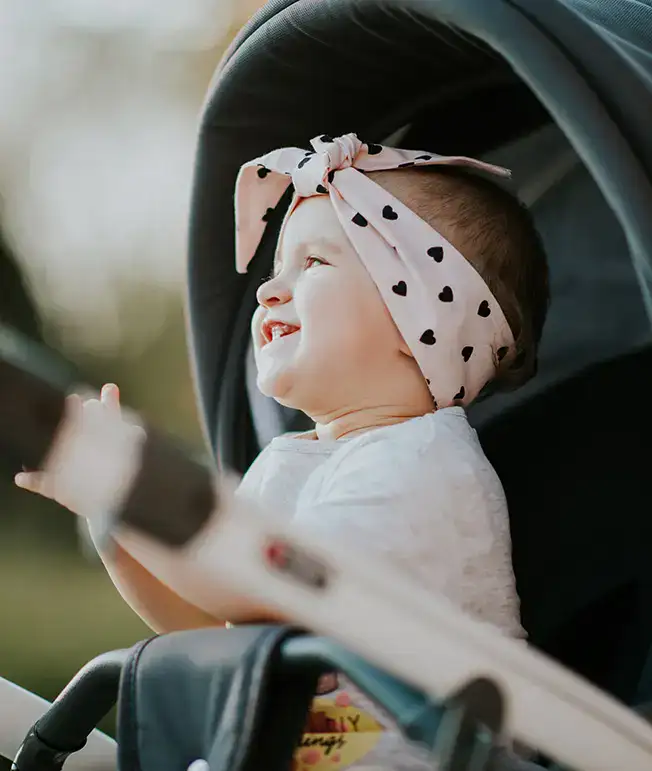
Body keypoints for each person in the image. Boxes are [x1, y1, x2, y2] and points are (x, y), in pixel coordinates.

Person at [15, 133, 549, 770]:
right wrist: (116, 526)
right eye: (274, 273)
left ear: (423, 324)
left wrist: (128, 486)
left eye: (314, 265)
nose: (270, 291)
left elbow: (267, 596)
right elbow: (221, 635)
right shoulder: (290, 461)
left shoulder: (423, 465)